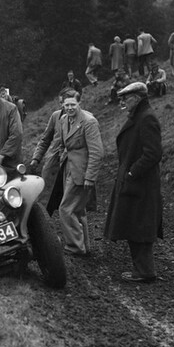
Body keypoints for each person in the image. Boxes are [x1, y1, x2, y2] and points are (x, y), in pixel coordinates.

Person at [103, 81, 163, 283]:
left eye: (126, 98)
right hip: (136, 182)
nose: (123, 102)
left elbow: (153, 153)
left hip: (141, 183)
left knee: (140, 226)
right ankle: (142, 269)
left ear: (137, 98)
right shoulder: (140, 116)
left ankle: (145, 271)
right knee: (134, 224)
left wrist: (132, 172)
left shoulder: (146, 118)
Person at [52, 89, 104, 257]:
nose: (69, 108)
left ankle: (74, 246)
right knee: (78, 210)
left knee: (66, 209)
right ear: (62, 104)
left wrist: (90, 177)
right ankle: (84, 246)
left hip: (81, 172)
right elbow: (62, 144)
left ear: (79, 103)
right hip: (68, 168)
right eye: (66, 105)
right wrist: (61, 157)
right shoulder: (63, 120)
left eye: (73, 104)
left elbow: (97, 152)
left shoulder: (89, 122)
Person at [28, 94, 65, 208]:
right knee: (45, 198)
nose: (64, 106)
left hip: (72, 163)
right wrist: (36, 158)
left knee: (71, 202)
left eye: (69, 103)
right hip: (54, 160)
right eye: (62, 103)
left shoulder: (85, 119)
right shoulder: (56, 116)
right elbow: (45, 139)